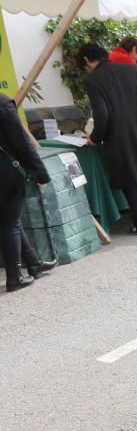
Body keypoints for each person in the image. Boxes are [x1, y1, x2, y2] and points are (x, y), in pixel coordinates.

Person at [77, 43, 137, 234]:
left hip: (118, 138)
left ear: (87, 60)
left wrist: (94, 139)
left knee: (130, 182)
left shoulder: (93, 81)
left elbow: (102, 116)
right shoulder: (131, 69)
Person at [0, 93, 58, 291]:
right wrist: (41, 173)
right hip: (6, 173)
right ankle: (14, 277)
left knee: (10, 219)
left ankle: (33, 262)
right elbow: (22, 142)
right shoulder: (2, 103)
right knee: (10, 223)